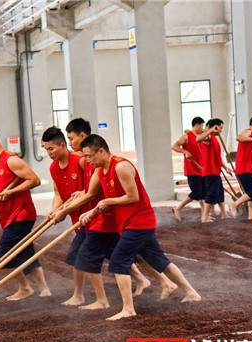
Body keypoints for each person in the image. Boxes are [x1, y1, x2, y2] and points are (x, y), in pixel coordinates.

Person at [68, 134, 201, 320]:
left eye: (90, 156)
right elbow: (93, 196)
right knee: (159, 261)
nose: (88, 160)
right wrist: (91, 213)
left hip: (139, 221)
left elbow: (133, 196)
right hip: (128, 222)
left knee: (118, 261)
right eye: (85, 157)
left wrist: (108, 201)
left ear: (101, 151)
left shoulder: (121, 166)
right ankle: (191, 292)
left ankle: (128, 309)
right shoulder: (100, 170)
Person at [62, 119, 176, 308]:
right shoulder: (95, 162)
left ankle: (106, 302)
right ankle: (166, 283)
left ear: (84, 137)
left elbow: (116, 195)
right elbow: (90, 191)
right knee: (132, 255)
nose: (70, 143)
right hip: (109, 218)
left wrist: (67, 211)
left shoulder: (111, 164)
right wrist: (72, 203)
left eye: (71, 138)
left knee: (101, 257)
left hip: (110, 219)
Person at [0, 128, 50, 300]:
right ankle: (45, 289)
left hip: (22, 213)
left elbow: (35, 180)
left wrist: (12, 192)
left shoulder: (11, 160)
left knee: (4, 252)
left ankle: (25, 288)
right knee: (26, 252)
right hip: (7, 216)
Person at [42, 126, 88, 305]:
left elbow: (90, 191)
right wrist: (54, 210)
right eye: (46, 150)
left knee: (79, 255)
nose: (49, 153)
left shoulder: (81, 161)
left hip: (90, 216)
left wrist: (63, 211)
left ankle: (79, 295)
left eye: (51, 149)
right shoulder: (53, 168)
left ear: (62, 145)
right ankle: (142, 280)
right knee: (113, 252)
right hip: (76, 218)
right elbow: (58, 194)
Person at [197, 118, 233, 223]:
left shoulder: (213, 138)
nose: (221, 130)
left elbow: (217, 156)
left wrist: (225, 167)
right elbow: (198, 139)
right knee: (211, 194)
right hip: (210, 171)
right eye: (220, 128)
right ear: (214, 127)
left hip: (216, 170)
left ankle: (224, 214)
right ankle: (204, 217)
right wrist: (211, 130)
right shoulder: (207, 136)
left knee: (219, 193)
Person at [172, 117, 206, 222]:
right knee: (196, 192)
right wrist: (185, 152)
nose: (202, 128)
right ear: (196, 125)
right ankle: (178, 208)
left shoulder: (201, 137)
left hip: (202, 168)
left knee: (203, 193)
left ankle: (204, 215)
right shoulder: (186, 137)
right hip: (192, 169)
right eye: (201, 126)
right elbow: (174, 146)